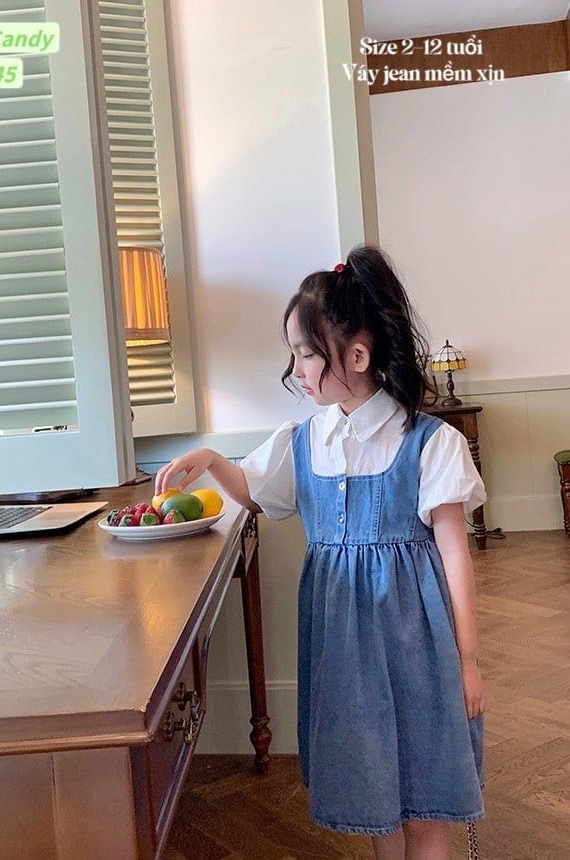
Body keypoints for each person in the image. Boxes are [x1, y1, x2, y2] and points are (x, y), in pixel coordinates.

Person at [154, 244, 487, 860]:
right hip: (344, 652)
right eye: (295, 354)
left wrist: (467, 659)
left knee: (426, 797)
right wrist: (212, 461)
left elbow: (455, 555)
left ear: (357, 356)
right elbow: (255, 492)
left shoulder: (429, 442)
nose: (297, 368)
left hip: (418, 644)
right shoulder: (304, 440)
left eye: (307, 353)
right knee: (376, 797)